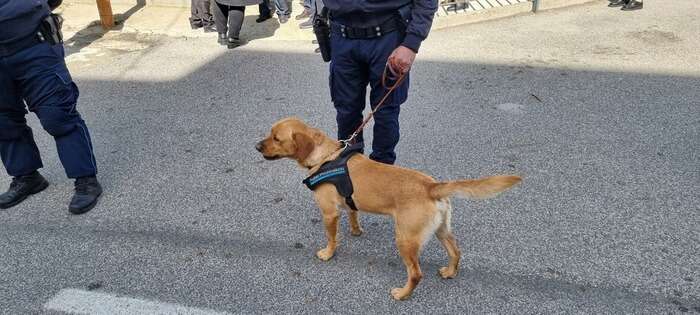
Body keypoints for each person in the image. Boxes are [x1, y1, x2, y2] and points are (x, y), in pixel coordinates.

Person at [0, 0, 103, 214]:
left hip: (33, 45)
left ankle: (86, 180)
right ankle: (26, 177)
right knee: (4, 119)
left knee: (57, 114)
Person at [322, 0, 438, 165]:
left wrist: (411, 44)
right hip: (342, 36)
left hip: (388, 36)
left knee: (385, 112)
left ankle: (382, 173)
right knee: (346, 111)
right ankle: (351, 168)